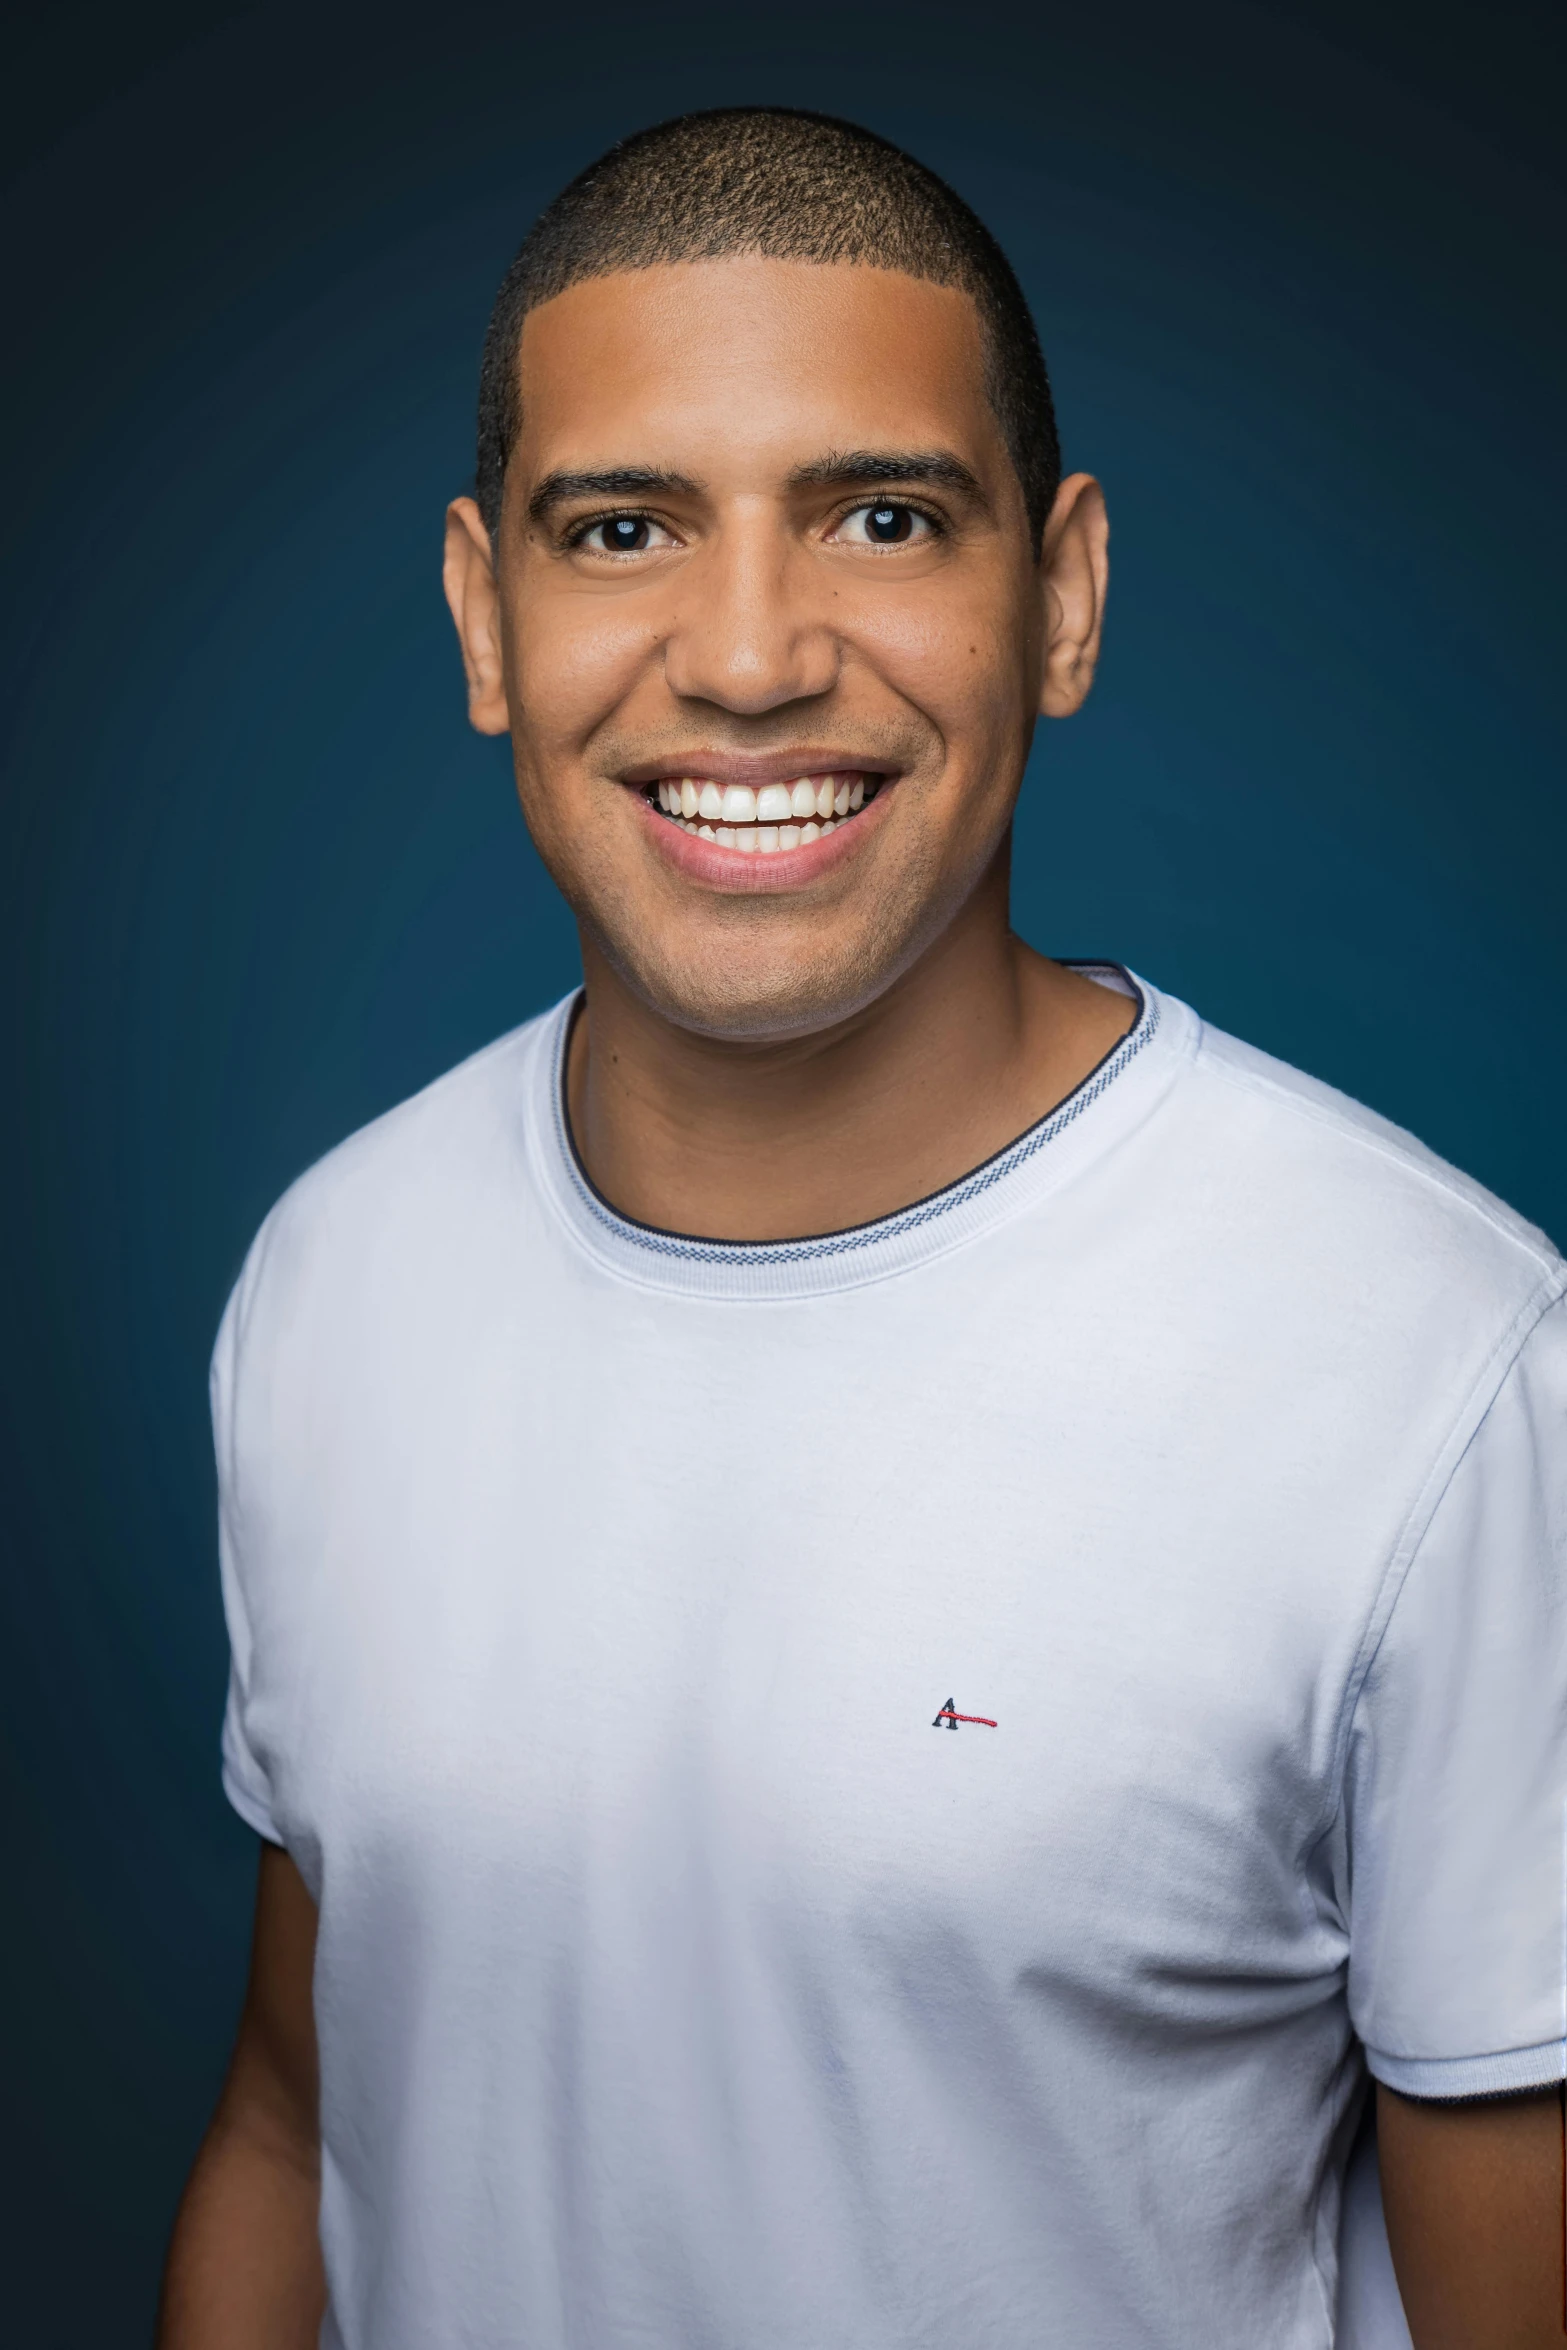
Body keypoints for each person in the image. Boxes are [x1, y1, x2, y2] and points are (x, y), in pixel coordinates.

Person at [157, 108, 1564, 2350]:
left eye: (884, 515)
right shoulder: (333, 1280)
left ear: (1066, 592)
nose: (743, 657)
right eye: (621, 526)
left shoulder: (1446, 1371)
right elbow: (294, 2112)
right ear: (482, 616)